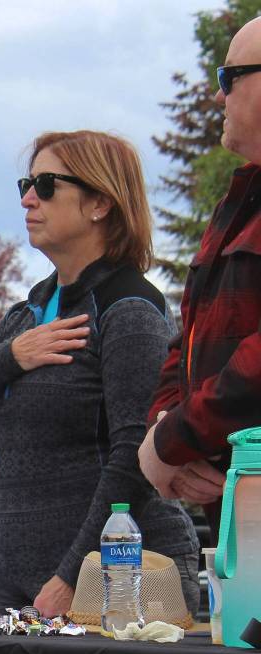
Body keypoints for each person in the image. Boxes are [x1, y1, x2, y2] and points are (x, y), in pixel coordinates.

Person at [0, 130, 200, 617]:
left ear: (100, 203)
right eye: (25, 185)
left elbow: (137, 456)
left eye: (47, 185)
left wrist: (71, 575)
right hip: (17, 598)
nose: (29, 199)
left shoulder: (130, 309)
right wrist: (7, 358)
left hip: (112, 588)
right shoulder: (28, 315)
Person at [139, 17, 261, 545]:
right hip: (237, 505)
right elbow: (187, 340)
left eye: (226, 77)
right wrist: (167, 435)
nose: (218, 96)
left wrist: (171, 440)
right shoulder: (239, 204)